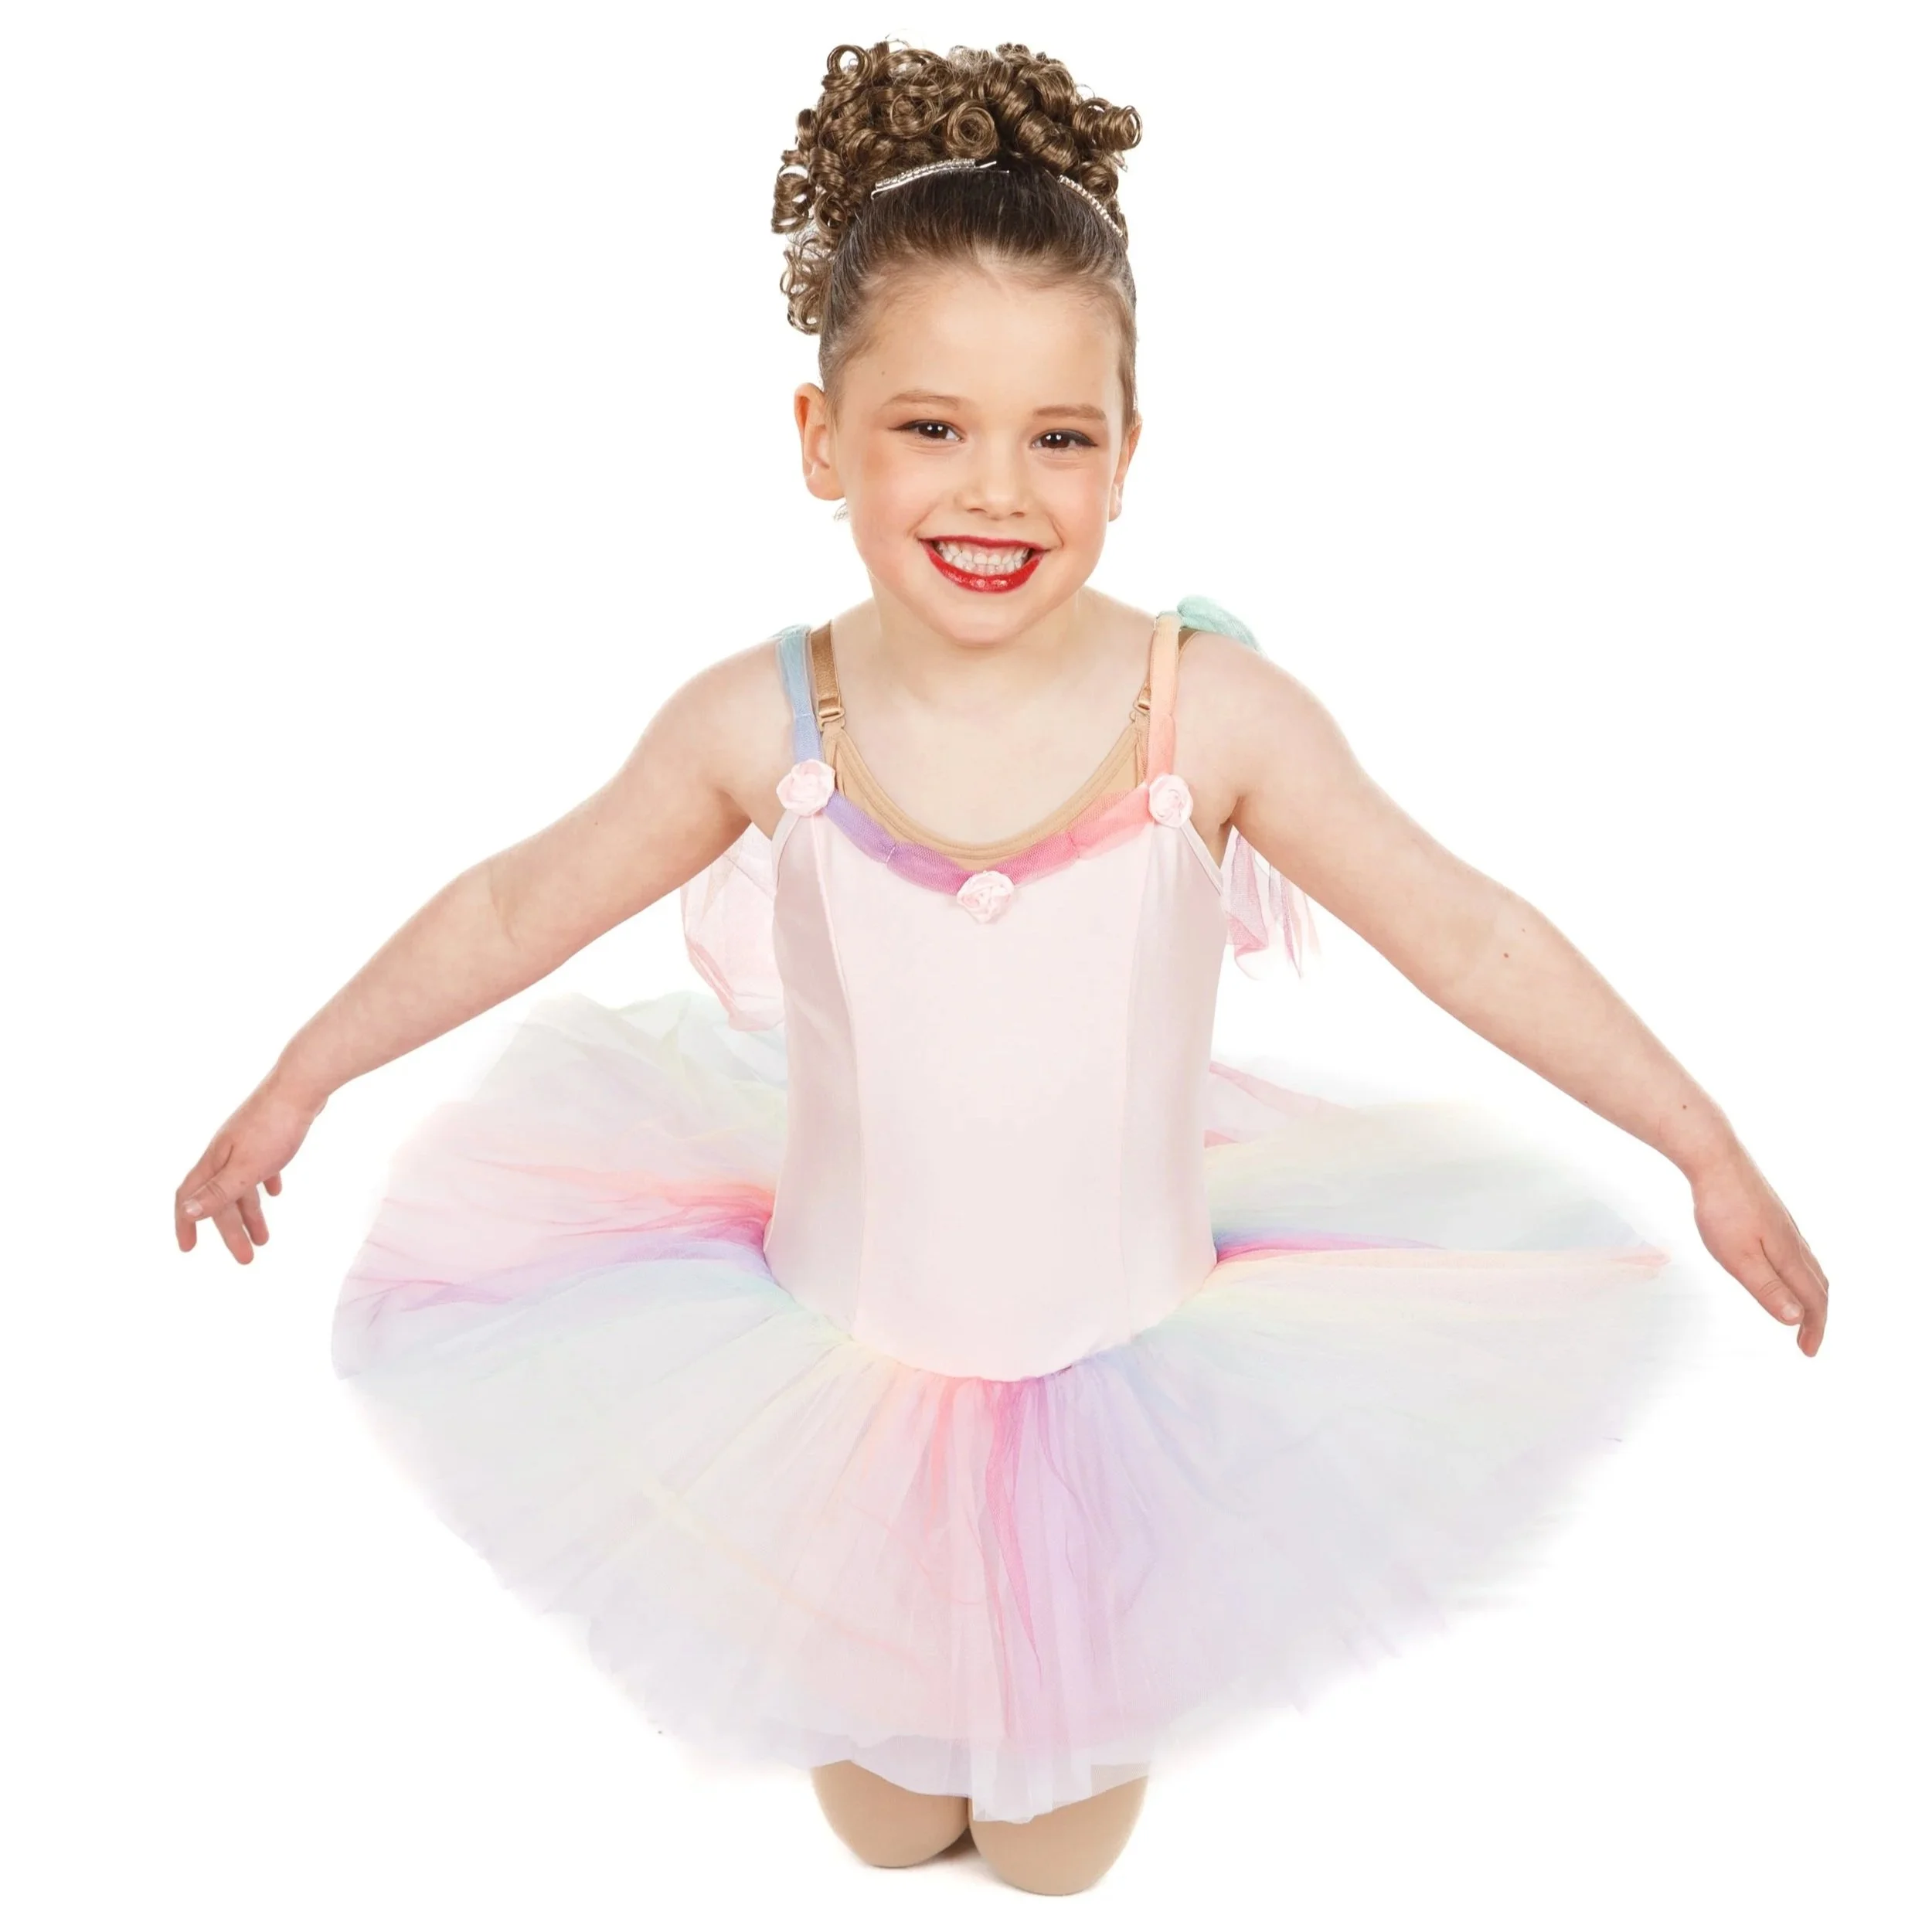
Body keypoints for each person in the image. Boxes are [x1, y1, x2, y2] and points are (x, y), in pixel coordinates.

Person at [172, 38, 1829, 1899]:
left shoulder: (1207, 714)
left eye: (1061, 435)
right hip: (835, 1359)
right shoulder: (758, 715)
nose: (998, 488)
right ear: (820, 439)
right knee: (885, 1824)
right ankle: (898, 1692)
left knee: (1050, 1857)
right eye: (929, 425)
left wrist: (1698, 1133)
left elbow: (1464, 926)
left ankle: (1046, 1733)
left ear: (1129, 451)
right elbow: (509, 903)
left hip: (1121, 1366)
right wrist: (297, 1075)